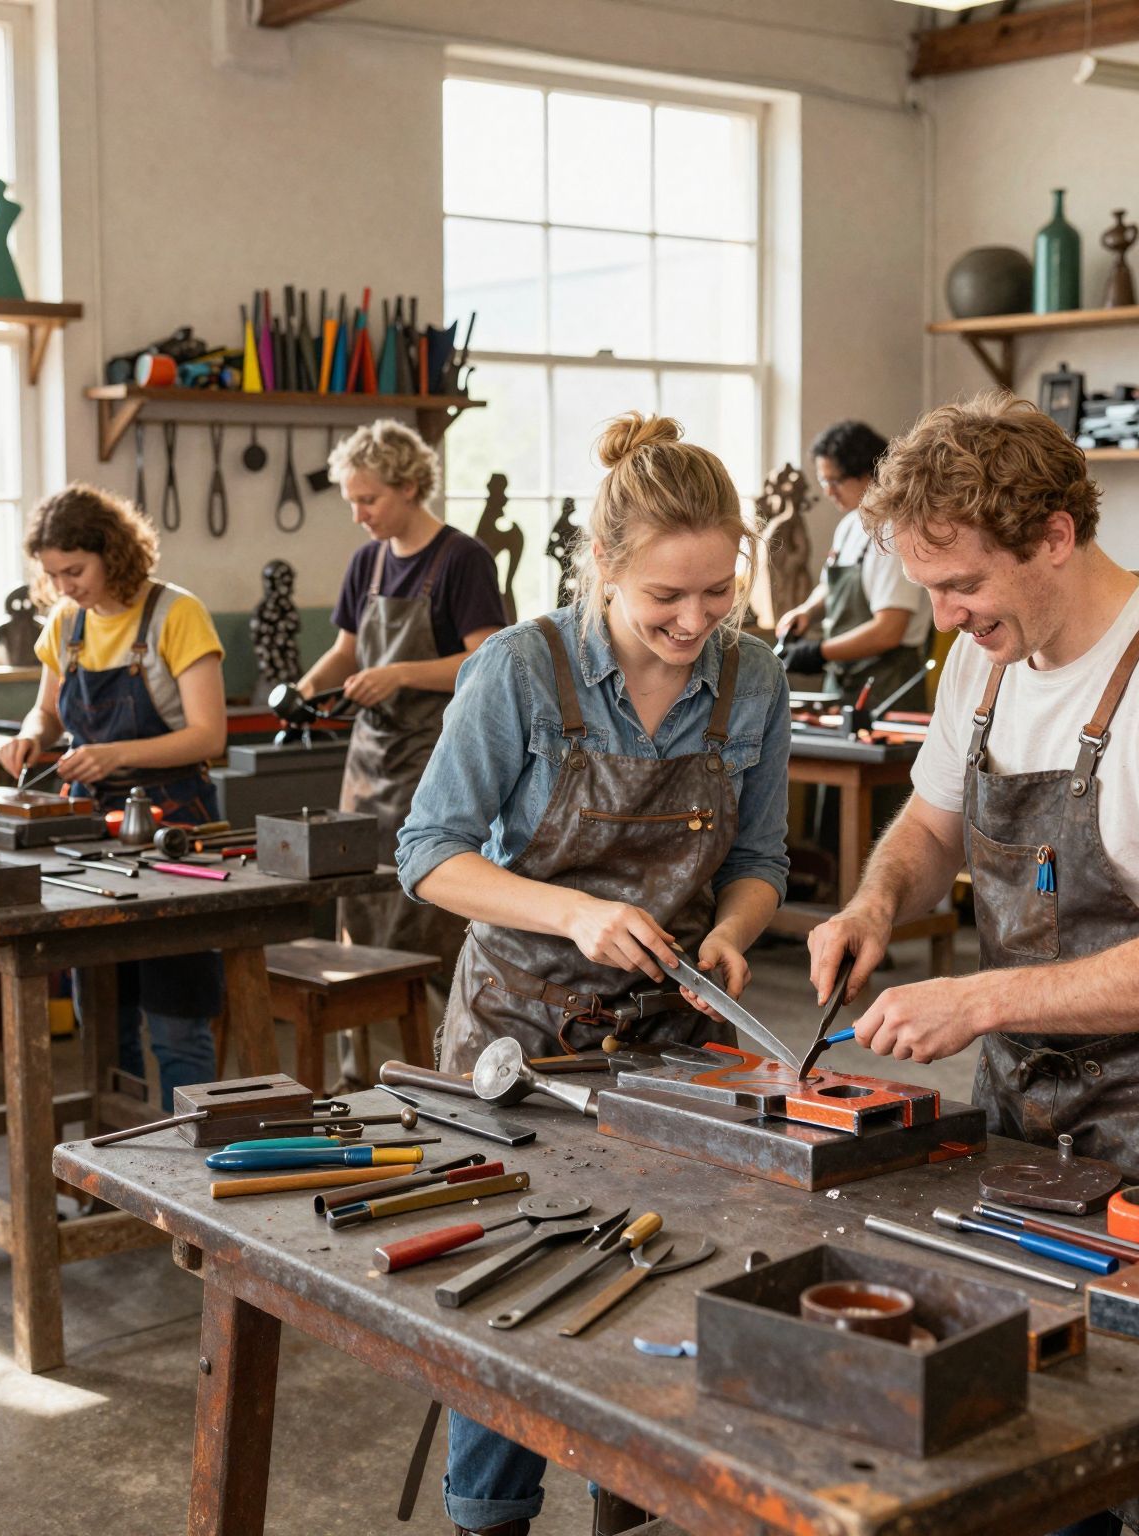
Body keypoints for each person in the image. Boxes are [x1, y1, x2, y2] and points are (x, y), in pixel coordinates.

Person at [807, 394, 1139, 1536]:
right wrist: (873, 904)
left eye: (960, 583)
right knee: (1033, 1427)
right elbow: (928, 829)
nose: (941, 614)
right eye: (926, 587)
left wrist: (977, 996)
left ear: (1055, 536)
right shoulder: (985, 659)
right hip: (1027, 1106)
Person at [396, 412, 791, 1536]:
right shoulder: (518, 669)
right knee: (512, 1287)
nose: (693, 622)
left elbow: (758, 861)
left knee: (655, 1276)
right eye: (665, 597)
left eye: (717, 593)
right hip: (516, 1026)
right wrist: (572, 912)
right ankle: (490, 1516)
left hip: (667, 1029)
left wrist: (732, 932)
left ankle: (632, 1503)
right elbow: (428, 856)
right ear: (602, 565)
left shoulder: (748, 680)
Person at [0, 484, 227, 1111]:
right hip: (86, 834)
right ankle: (121, 1172)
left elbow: (210, 734)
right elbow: (45, 712)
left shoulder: (176, 615)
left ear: (114, 553)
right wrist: (27, 737)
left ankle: (198, 1171)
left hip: (174, 827)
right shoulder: (65, 625)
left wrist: (116, 754)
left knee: (176, 1011)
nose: (65, 586)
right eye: (52, 574)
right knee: (102, 1011)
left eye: (76, 570)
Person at [292, 420, 506, 1086]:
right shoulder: (369, 562)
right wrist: (303, 688)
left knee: (428, 918)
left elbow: (486, 658)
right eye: (352, 501)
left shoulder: (463, 559)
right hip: (368, 766)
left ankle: (450, 1069)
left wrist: (404, 673)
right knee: (360, 912)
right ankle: (366, 1077)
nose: (358, 516)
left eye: (369, 500)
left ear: (410, 486)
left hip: (436, 760)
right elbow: (348, 651)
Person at [774, 419, 932, 704]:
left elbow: (889, 631)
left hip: (885, 684)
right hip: (843, 679)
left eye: (835, 481)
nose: (828, 491)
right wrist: (806, 612)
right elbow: (829, 586)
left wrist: (819, 652)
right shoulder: (850, 525)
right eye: (824, 481)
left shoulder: (894, 533)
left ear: (868, 475)